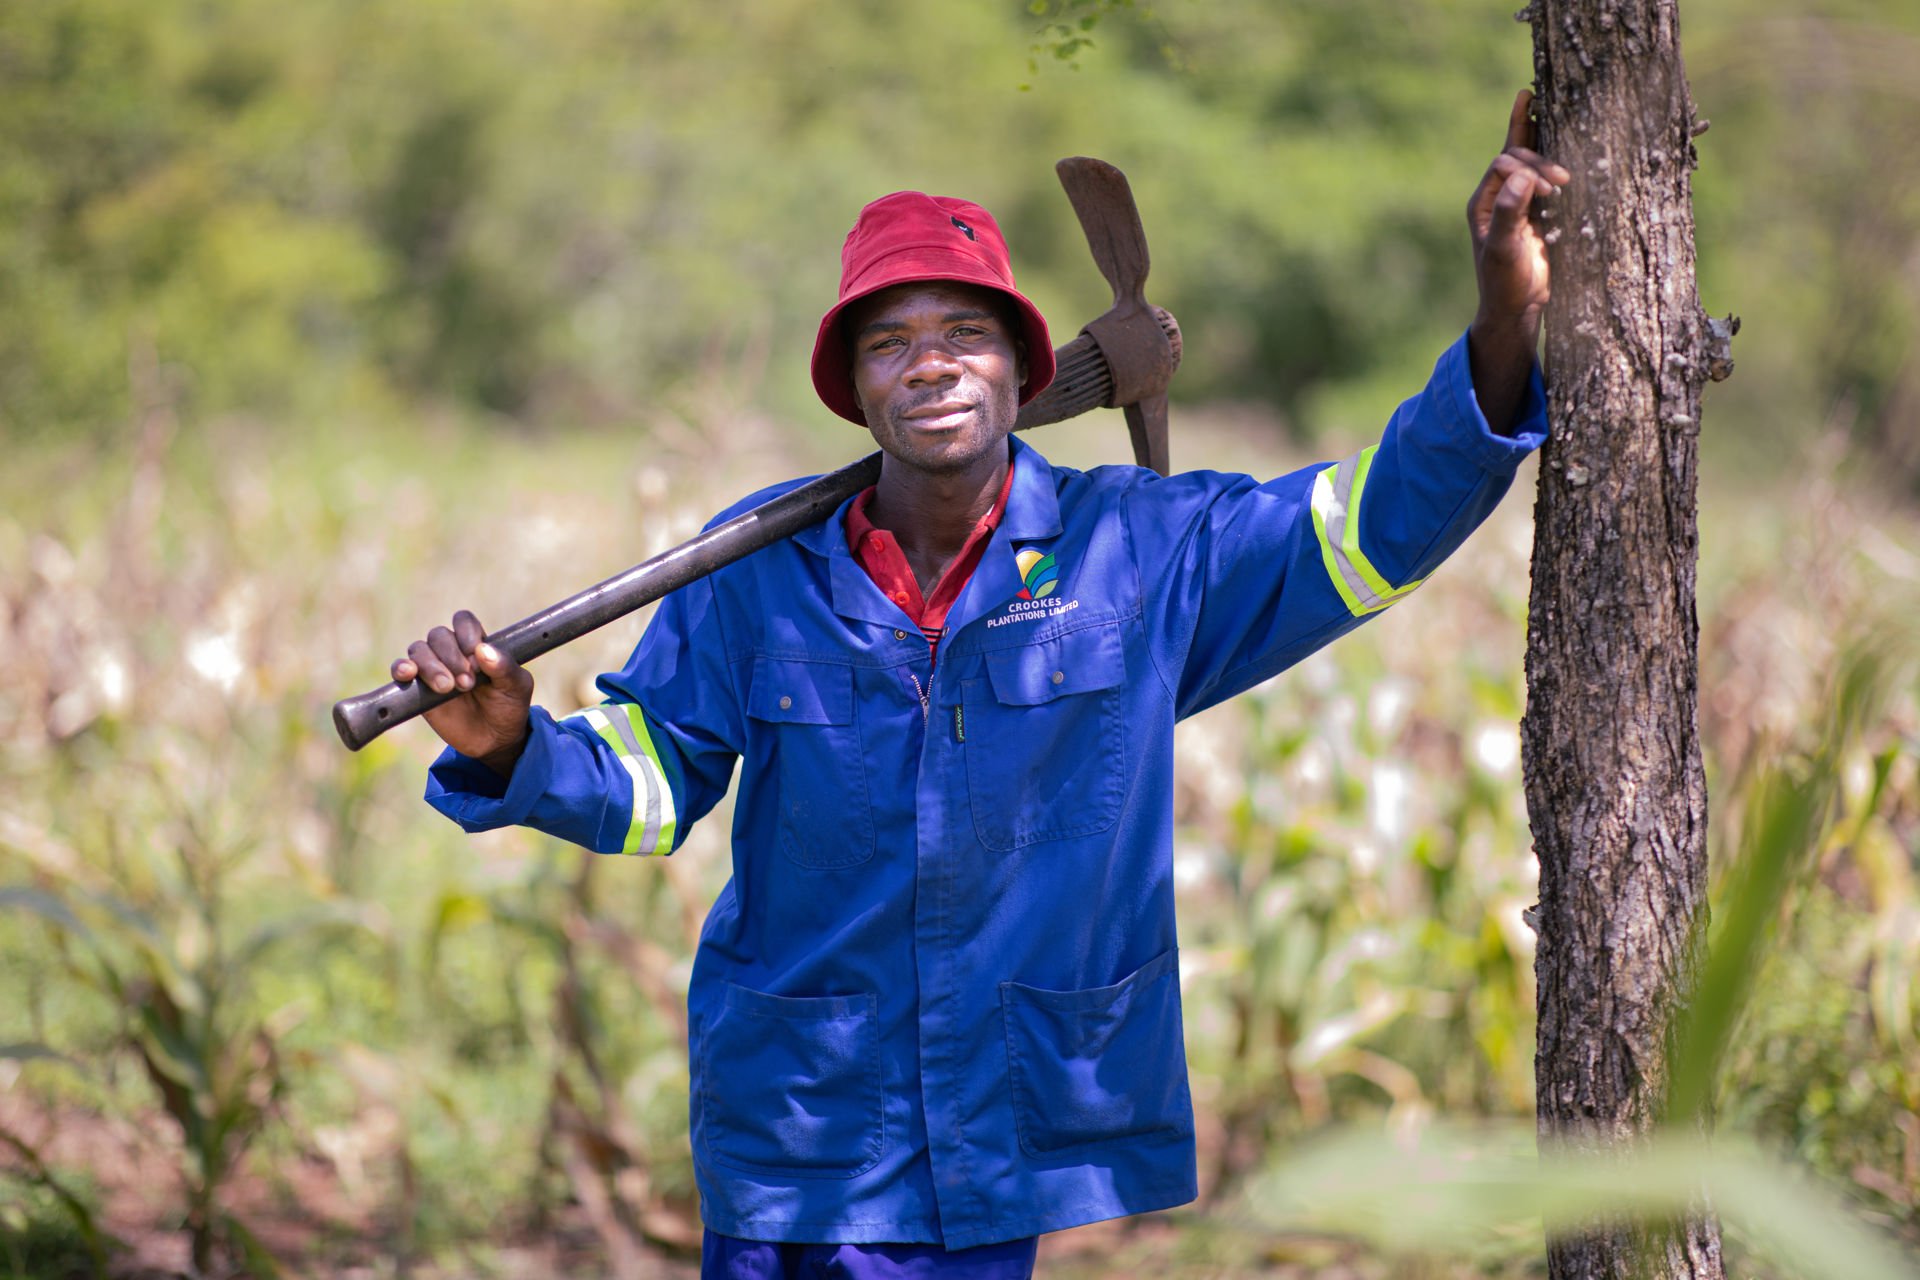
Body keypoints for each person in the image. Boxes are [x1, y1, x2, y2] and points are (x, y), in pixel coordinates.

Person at [392, 93, 1570, 1280]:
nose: (933, 363)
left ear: (1025, 367)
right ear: (855, 387)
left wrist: (1502, 317)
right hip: (794, 1126)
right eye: (891, 342)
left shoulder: (1142, 553)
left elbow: (1376, 522)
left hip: (1000, 1132)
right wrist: (513, 749)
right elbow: (651, 773)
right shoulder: (757, 568)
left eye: (967, 331)